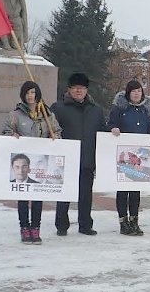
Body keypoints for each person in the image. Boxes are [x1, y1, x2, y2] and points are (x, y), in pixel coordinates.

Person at [2, 80, 62, 244]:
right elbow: (6, 130)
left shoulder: (47, 114)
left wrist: (55, 137)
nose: (31, 96)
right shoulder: (16, 114)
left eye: (33, 93)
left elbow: (56, 131)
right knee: (23, 197)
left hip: (40, 162)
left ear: (38, 94)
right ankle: (24, 228)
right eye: (28, 93)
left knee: (37, 197)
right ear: (23, 95)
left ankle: (35, 228)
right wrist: (11, 136)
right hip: (24, 161)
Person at [51, 73, 105, 236]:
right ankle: (61, 225)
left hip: (88, 158)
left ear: (86, 90)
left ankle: (85, 224)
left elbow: (102, 132)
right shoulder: (58, 108)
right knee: (64, 193)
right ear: (69, 90)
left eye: (81, 88)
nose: (78, 91)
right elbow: (50, 128)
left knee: (86, 194)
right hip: (66, 160)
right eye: (75, 88)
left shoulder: (96, 110)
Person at [108, 80, 150, 236]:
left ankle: (134, 220)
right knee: (123, 190)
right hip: (123, 157)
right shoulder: (120, 109)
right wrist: (113, 128)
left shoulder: (145, 111)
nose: (137, 93)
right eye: (133, 91)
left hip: (139, 157)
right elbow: (110, 124)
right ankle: (123, 221)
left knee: (135, 191)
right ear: (128, 93)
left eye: (139, 91)